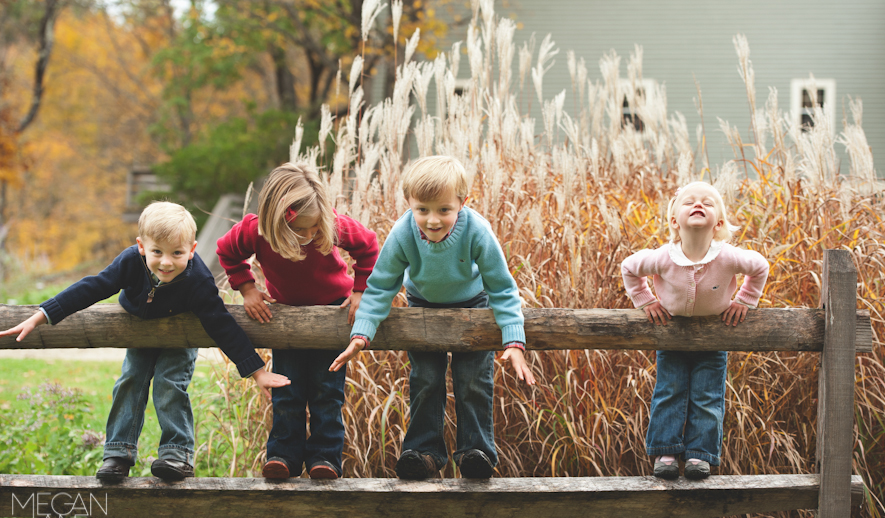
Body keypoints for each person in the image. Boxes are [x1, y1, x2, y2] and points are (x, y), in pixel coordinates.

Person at [0, 201, 290, 482]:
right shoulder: (130, 262)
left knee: (170, 385)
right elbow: (93, 287)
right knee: (130, 380)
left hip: (180, 335)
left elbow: (222, 326)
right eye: (157, 252)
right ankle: (117, 454)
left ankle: (177, 454)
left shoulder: (198, 281)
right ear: (141, 247)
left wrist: (257, 371)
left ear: (192, 250)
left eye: (177, 253)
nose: (166, 262)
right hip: (138, 329)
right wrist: (43, 313)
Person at [330, 155, 536, 481]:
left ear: (463, 203)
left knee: (473, 382)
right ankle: (424, 453)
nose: (432, 220)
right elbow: (382, 285)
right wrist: (361, 333)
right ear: (409, 203)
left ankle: (476, 452)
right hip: (422, 308)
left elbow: (501, 286)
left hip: (473, 307)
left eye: (444, 209)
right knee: (426, 380)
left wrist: (513, 339)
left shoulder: (477, 231)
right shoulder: (403, 232)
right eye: (422, 209)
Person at [217, 162, 379, 480]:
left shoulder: (332, 224)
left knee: (327, 390)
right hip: (286, 319)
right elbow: (227, 252)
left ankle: (325, 457)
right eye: (299, 229)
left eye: (315, 228)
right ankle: (283, 456)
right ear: (275, 220)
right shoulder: (255, 230)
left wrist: (361, 291)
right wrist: (247, 289)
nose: (309, 235)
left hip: (333, 314)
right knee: (287, 390)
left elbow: (369, 247)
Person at [621, 181, 769, 480]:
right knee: (669, 391)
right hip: (672, 335)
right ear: (675, 221)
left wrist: (745, 300)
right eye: (689, 201)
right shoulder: (663, 256)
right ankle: (666, 451)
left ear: (719, 223)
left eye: (708, 202)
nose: (698, 204)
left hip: (713, 337)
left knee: (708, 395)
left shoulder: (728, 255)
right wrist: (646, 300)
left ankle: (699, 455)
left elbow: (760, 267)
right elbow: (629, 268)